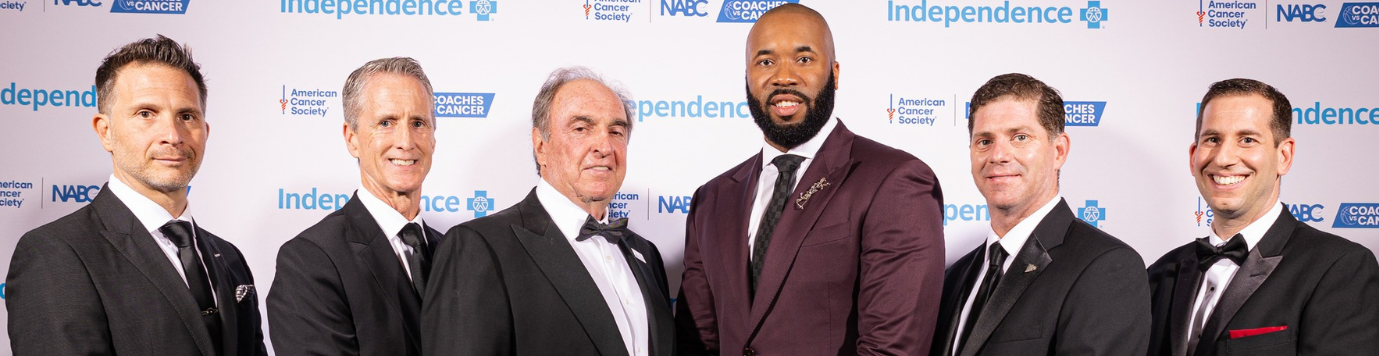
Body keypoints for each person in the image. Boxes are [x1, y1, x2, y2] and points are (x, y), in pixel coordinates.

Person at [674, 4, 946, 355]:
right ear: (747, 77)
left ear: (834, 73)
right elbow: (698, 340)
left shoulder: (895, 181)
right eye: (766, 62)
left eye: (803, 59)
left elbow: (893, 349)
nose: (783, 76)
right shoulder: (711, 199)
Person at [6, 34, 266, 356]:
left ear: (205, 131)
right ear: (106, 131)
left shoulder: (228, 257)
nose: (173, 135)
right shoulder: (56, 253)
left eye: (187, 116)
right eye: (146, 113)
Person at [423, 67, 674, 356]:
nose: (604, 146)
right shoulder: (479, 248)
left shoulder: (646, 255)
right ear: (541, 146)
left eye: (616, 131)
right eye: (581, 129)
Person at [1146, 78, 1379, 356]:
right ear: (1193, 156)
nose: (1224, 157)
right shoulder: (1160, 273)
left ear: (1284, 155)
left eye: (1247, 140)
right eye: (1213, 139)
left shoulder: (1339, 268)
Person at [930, 73, 1149, 356]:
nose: (998, 155)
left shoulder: (1107, 267)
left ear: (1058, 151)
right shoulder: (956, 276)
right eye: (984, 141)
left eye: (1019, 137)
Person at [267, 57, 444, 356]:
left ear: (433, 138)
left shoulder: (454, 253)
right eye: (386, 123)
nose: (405, 141)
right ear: (352, 139)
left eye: (418, 123)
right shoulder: (309, 260)